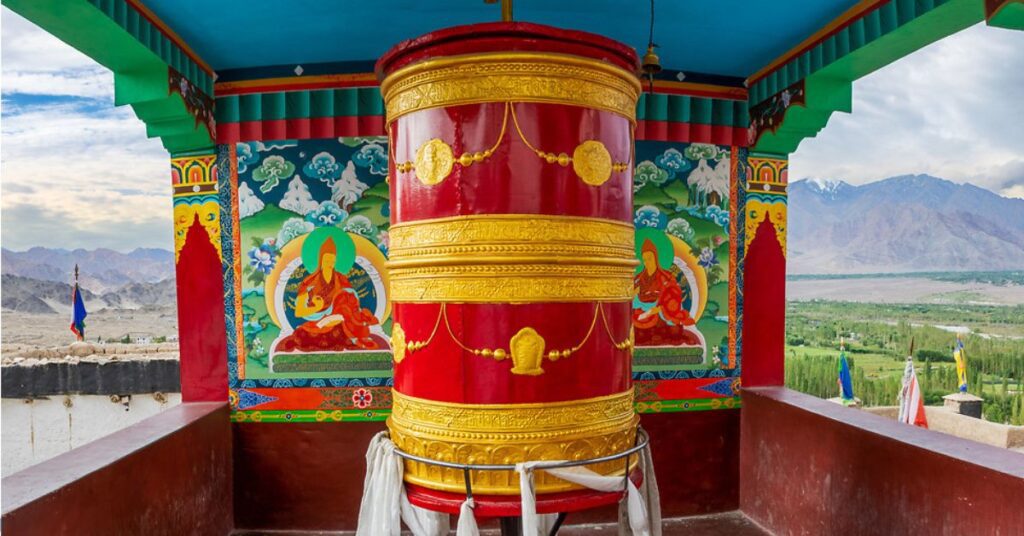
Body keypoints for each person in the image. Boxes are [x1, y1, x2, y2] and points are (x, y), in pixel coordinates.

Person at [277, 237, 381, 352]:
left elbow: (352, 304)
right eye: (327, 260)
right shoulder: (309, 282)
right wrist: (317, 307)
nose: (330, 264)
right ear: (320, 260)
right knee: (303, 334)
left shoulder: (341, 280)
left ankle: (352, 338)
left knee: (342, 330)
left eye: (332, 260)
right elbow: (299, 312)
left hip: (340, 323)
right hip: (318, 322)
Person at [632, 239, 699, 346]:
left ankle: (656, 334)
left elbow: (674, 294)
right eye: (645, 259)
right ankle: (652, 335)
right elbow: (629, 299)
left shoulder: (665, 277)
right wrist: (635, 293)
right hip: (642, 311)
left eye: (650, 258)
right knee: (636, 332)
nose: (647, 262)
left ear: (656, 258)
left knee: (674, 331)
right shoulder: (639, 279)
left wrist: (660, 308)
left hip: (661, 312)